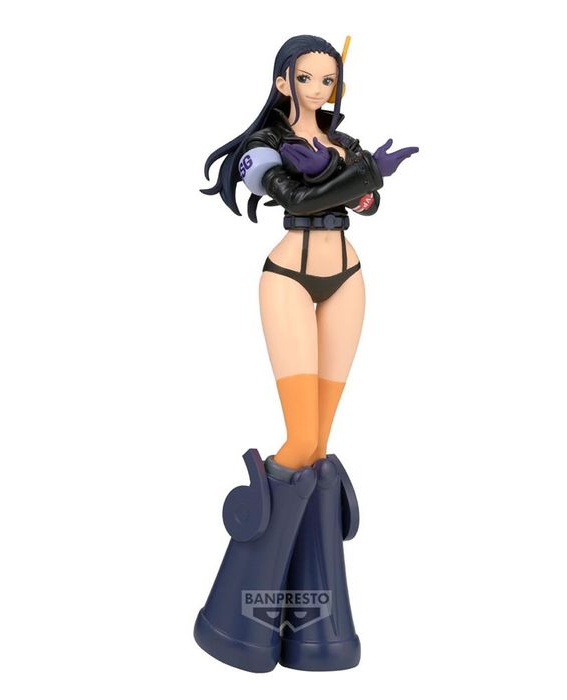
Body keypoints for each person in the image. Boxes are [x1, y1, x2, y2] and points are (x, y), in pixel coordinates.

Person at [194, 34, 418, 673]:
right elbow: (297, 200)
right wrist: (359, 177)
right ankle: (233, 617)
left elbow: (364, 205)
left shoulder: (342, 143)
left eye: (329, 80)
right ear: (282, 81)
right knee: (300, 439)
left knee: (319, 447)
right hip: (288, 279)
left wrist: (357, 181)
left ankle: (312, 631)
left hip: (348, 278)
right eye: (307, 77)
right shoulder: (263, 147)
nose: (319, 89)